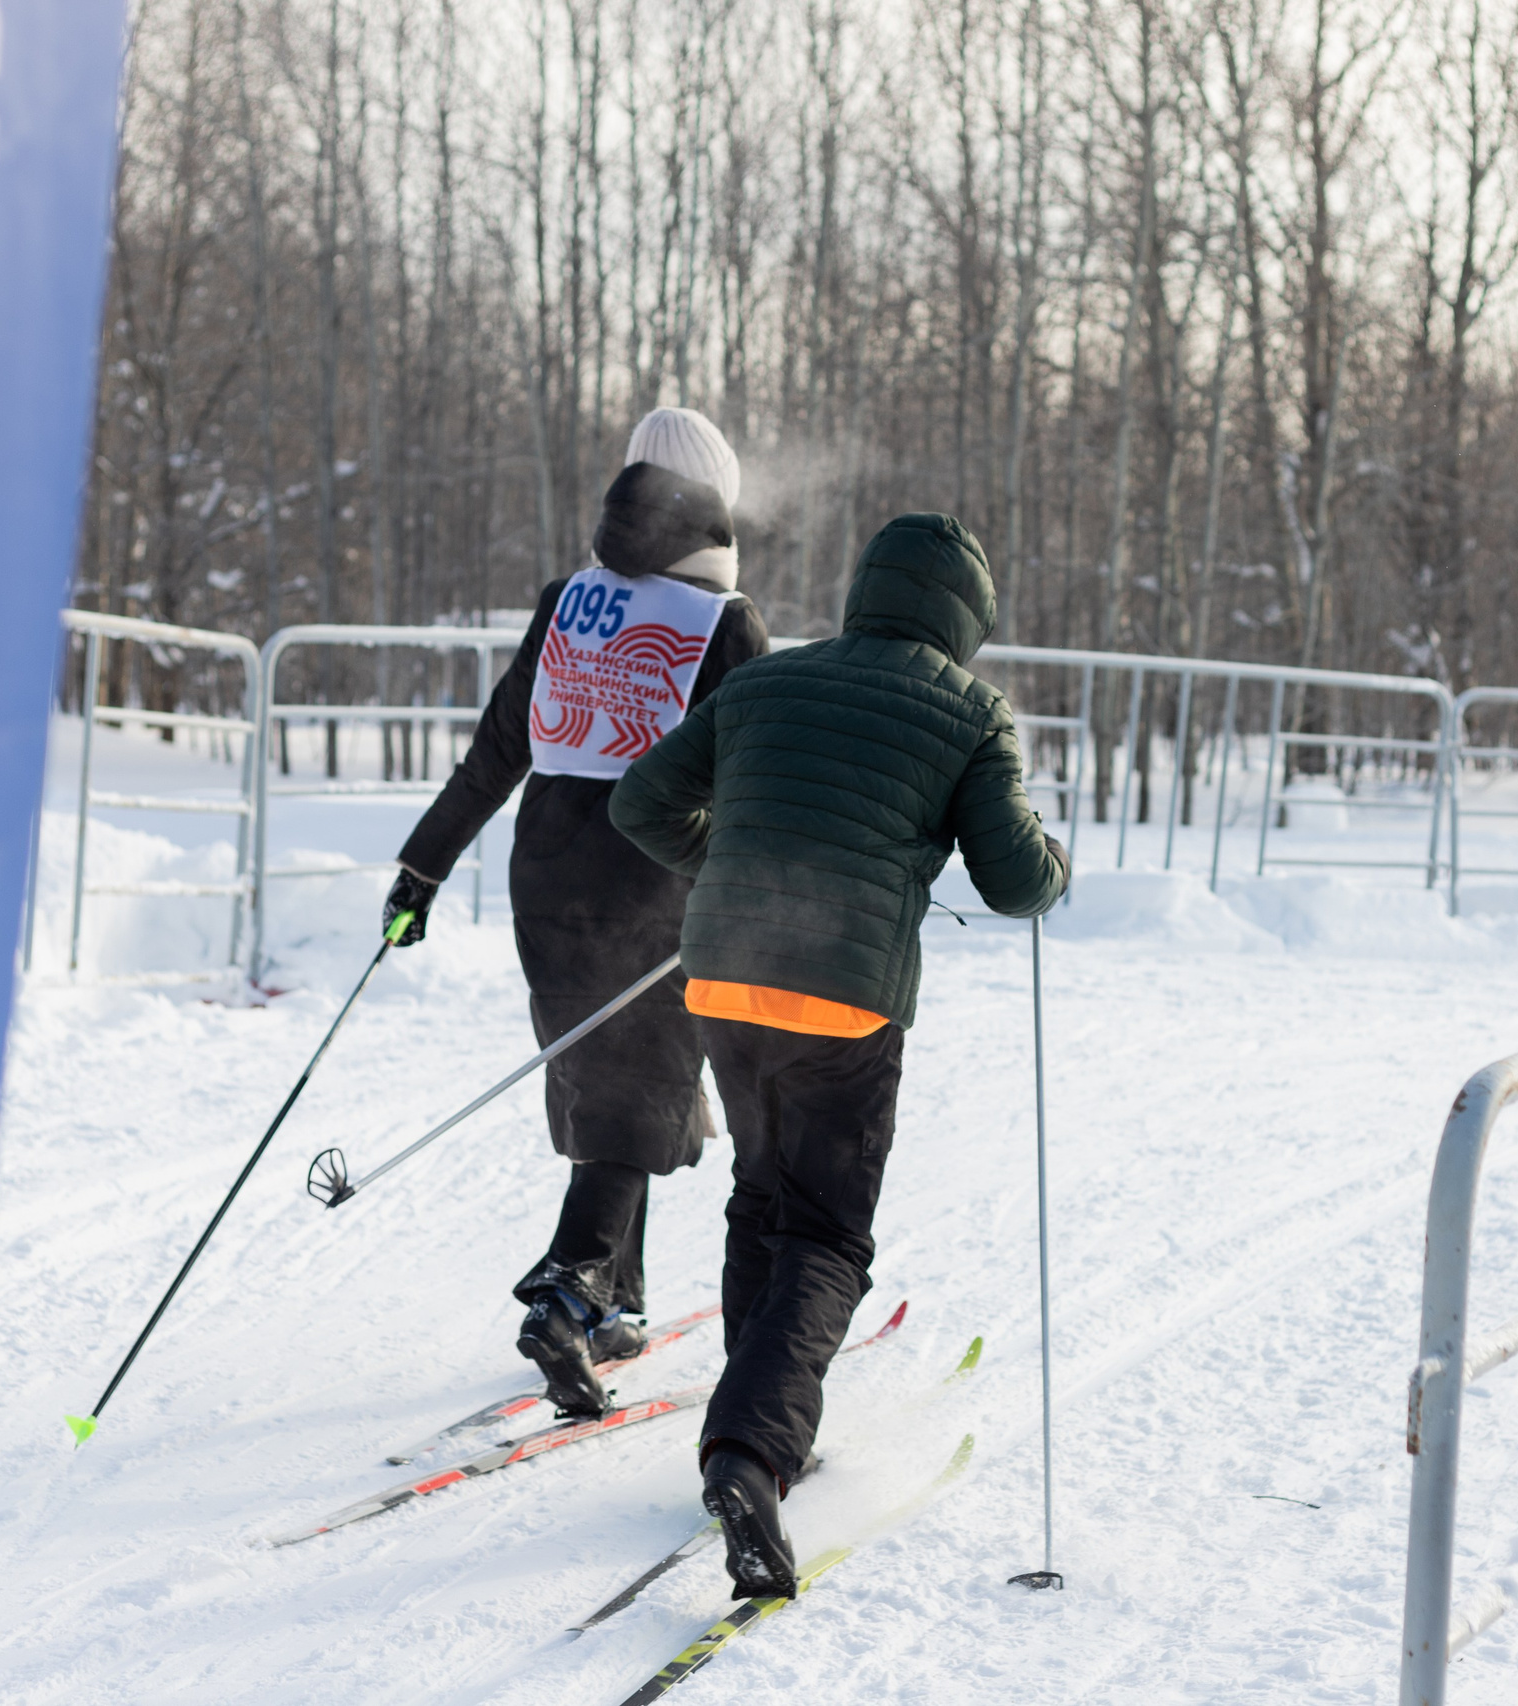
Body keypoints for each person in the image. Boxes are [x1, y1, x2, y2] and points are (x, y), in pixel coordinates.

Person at [609, 512, 1069, 1598]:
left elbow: (639, 802)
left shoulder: (769, 680)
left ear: (866, 591)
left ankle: (753, 1425)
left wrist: (726, 855)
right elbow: (1013, 880)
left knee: (760, 1197)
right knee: (823, 1230)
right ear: (968, 620)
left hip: (720, 973)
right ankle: (752, 1451)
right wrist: (1055, 861)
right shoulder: (968, 711)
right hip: (843, 1004)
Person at [383, 408, 770, 1418]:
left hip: (547, 879)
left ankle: (614, 1305)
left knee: (607, 1079)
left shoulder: (568, 603)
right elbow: (766, 774)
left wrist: (421, 871)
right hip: (654, 883)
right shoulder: (721, 626)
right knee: (641, 1088)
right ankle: (568, 1286)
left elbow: (494, 752)